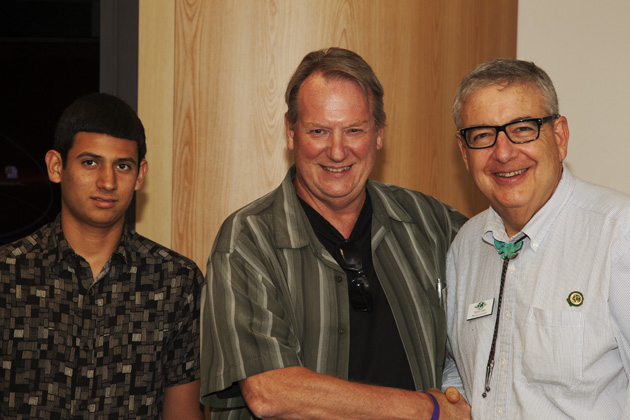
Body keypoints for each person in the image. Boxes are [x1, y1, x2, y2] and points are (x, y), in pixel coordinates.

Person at [201, 47, 471, 420]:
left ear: (378, 134)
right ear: (291, 133)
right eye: (319, 131)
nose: (338, 150)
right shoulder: (248, 240)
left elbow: (507, 260)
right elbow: (271, 393)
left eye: (355, 130)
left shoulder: (430, 222)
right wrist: (425, 409)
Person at [0, 93, 205, 419]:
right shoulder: (8, 273)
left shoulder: (176, 280)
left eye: (122, 166)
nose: (107, 181)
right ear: (56, 166)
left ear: (139, 176)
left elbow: (182, 412)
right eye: (90, 162)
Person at [445, 58, 630, 418]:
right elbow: (459, 372)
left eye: (523, 128)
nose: (502, 152)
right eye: (483, 135)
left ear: (559, 137)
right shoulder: (464, 248)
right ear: (464, 153)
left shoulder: (618, 235)